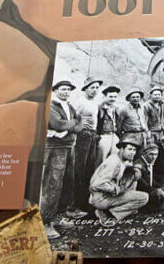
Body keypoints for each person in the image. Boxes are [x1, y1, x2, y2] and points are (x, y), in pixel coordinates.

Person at [42, 80, 85, 239]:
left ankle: (58, 217)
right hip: (55, 148)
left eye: (68, 89)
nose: (66, 92)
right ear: (56, 90)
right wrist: (72, 124)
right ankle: (45, 223)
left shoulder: (70, 106)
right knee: (52, 185)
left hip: (69, 147)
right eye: (63, 89)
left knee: (67, 183)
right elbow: (58, 124)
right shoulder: (52, 106)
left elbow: (81, 124)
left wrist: (71, 125)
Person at [89, 136, 149, 226]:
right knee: (144, 198)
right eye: (129, 149)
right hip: (101, 198)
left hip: (104, 195)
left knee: (132, 176)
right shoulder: (113, 163)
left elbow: (131, 166)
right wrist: (117, 189)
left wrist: (135, 169)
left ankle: (109, 209)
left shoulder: (120, 159)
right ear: (121, 149)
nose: (132, 153)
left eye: (134, 150)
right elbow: (97, 184)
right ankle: (109, 213)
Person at [72, 77, 102, 215]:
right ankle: (76, 204)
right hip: (82, 136)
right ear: (85, 89)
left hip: (92, 135)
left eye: (96, 88)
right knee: (79, 169)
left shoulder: (95, 102)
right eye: (92, 87)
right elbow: (73, 119)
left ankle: (86, 202)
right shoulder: (79, 101)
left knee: (90, 168)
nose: (95, 90)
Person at [96, 85, 120, 161]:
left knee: (114, 158)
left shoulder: (115, 108)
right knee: (101, 159)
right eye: (110, 96)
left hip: (113, 135)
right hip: (103, 136)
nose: (113, 99)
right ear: (105, 96)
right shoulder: (100, 108)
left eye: (115, 97)